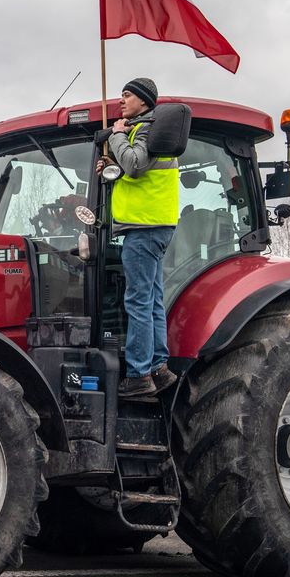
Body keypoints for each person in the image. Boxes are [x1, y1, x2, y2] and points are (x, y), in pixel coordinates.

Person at [99, 77, 180, 398]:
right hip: (154, 225)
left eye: (127, 95)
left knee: (138, 302)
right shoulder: (149, 131)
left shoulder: (143, 129)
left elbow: (134, 164)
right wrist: (111, 165)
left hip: (144, 228)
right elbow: (136, 172)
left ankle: (138, 374)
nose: (121, 101)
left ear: (144, 101)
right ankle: (159, 368)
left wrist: (117, 136)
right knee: (153, 301)